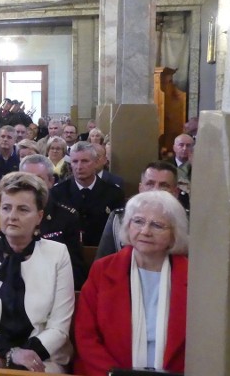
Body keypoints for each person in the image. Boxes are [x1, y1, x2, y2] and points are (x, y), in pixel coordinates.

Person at [0, 172, 74, 373]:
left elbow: (59, 325)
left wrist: (23, 355)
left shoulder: (58, 254)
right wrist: (8, 353)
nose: (12, 216)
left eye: (23, 209)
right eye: (6, 208)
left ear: (39, 216)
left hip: (42, 354)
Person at [73, 191, 189, 375]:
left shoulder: (193, 276)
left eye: (157, 225)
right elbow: (86, 336)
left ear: (175, 234)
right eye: (138, 221)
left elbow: (203, 342)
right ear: (127, 226)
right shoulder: (103, 270)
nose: (145, 231)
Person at [0, 154, 87, 290]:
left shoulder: (66, 217)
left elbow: (75, 270)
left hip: (50, 286)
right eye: (25, 179)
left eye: (38, 179)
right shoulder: (0, 215)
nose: (32, 186)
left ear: (51, 181)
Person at [96, 161, 185, 260]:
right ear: (140, 188)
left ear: (176, 192)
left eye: (164, 185)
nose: (155, 190)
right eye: (150, 184)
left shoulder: (186, 221)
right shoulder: (119, 218)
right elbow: (104, 260)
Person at [51, 141, 125, 246]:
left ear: (96, 162)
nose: (79, 166)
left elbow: (118, 232)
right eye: (75, 161)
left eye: (85, 161)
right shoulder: (57, 193)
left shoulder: (113, 194)